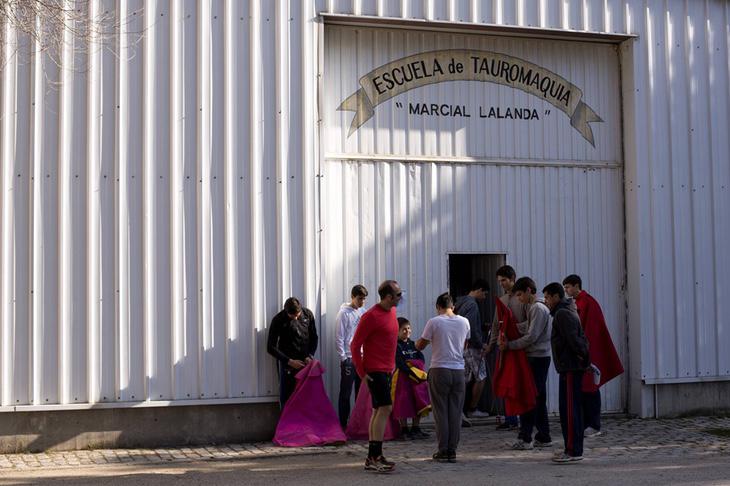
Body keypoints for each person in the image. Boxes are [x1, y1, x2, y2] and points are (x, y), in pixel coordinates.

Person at [350, 280, 402, 473]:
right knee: (385, 408)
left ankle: (372, 457)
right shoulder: (371, 316)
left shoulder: (393, 312)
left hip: (387, 369)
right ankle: (376, 456)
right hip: (375, 370)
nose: (400, 297)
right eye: (398, 294)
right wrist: (361, 372)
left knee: (377, 410)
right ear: (388, 297)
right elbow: (355, 345)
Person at [563, 275, 624, 438]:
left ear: (577, 286)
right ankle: (585, 423)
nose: (566, 290)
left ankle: (594, 424)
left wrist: (583, 351)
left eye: (568, 287)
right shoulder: (574, 303)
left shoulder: (588, 302)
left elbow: (591, 330)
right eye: (565, 288)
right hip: (581, 351)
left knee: (590, 388)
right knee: (582, 389)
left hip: (589, 352)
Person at [499, 277, 552, 450]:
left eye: (520, 295)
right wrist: (511, 328)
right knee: (538, 397)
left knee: (529, 396)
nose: (519, 299)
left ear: (529, 290)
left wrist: (510, 345)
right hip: (540, 356)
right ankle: (543, 435)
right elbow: (527, 327)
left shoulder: (537, 307)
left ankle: (527, 437)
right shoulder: (536, 307)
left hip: (536, 357)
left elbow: (531, 336)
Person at [416, 293, 470, 463]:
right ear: (453, 306)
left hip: (439, 369)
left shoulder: (435, 321)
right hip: (458, 370)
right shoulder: (464, 322)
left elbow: (421, 345)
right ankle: (452, 450)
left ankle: (443, 450)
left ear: (438, 307)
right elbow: (466, 344)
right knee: (455, 412)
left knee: (441, 413)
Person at [543, 282, 590, 464]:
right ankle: (570, 447)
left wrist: (582, 358)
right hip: (568, 367)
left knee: (570, 411)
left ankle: (572, 450)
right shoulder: (566, 311)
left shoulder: (563, 313)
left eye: (547, 297)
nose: (546, 301)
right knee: (569, 409)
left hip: (571, 367)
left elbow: (575, 340)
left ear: (556, 296)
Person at [487, 265, 529, 431]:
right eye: (500, 281)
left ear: (512, 278)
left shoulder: (523, 298)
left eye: (504, 280)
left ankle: (525, 418)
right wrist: (491, 345)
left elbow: (529, 323)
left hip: (521, 345)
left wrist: (515, 329)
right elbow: (496, 325)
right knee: (506, 382)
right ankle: (510, 418)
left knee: (522, 383)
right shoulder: (502, 300)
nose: (502, 283)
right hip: (505, 347)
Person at [267, 297, 318, 408]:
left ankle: (303, 424)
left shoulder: (308, 314)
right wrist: (289, 361)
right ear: (286, 311)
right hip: (288, 364)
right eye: (292, 316)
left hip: (305, 362)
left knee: (305, 395)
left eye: (297, 315)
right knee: (287, 395)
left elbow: (314, 337)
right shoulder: (278, 320)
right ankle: (286, 423)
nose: (295, 318)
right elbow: (270, 347)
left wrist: (310, 355)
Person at [454, 279, 490, 420]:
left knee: (464, 379)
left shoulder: (459, 302)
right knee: (481, 377)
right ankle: (472, 409)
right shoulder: (472, 305)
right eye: (484, 294)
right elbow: (470, 328)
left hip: (460, 346)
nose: (484, 297)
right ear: (479, 290)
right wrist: (481, 344)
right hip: (472, 347)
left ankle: (459, 410)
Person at [335, 284, 369, 428]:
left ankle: (358, 424)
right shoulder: (344, 313)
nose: (361, 302)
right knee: (346, 393)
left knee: (361, 394)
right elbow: (339, 337)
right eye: (359, 299)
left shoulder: (363, 311)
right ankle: (343, 424)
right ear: (352, 297)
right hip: (349, 359)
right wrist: (343, 357)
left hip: (362, 358)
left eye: (364, 299)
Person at [393, 317, 431, 440]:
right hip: (403, 379)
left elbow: (421, 358)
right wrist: (410, 371)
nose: (407, 331)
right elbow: (399, 362)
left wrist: (418, 371)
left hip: (416, 379)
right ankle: (404, 429)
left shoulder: (413, 344)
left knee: (418, 401)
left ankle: (416, 428)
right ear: (397, 331)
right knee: (403, 403)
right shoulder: (396, 346)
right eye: (403, 329)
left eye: (408, 328)